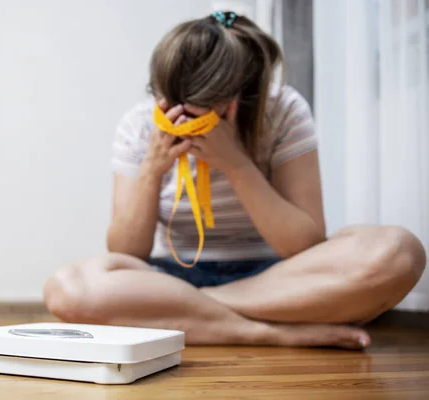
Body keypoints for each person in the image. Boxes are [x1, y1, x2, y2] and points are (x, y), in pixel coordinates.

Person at [43, 11, 426, 348]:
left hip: (278, 279)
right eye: (169, 107)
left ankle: (192, 316)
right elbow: (127, 254)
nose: (183, 123)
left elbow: (304, 245)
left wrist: (237, 164)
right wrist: (152, 169)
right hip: (169, 276)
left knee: (399, 252)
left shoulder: (282, 111)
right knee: (68, 288)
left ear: (235, 101)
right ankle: (265, 333)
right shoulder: (139, 124)